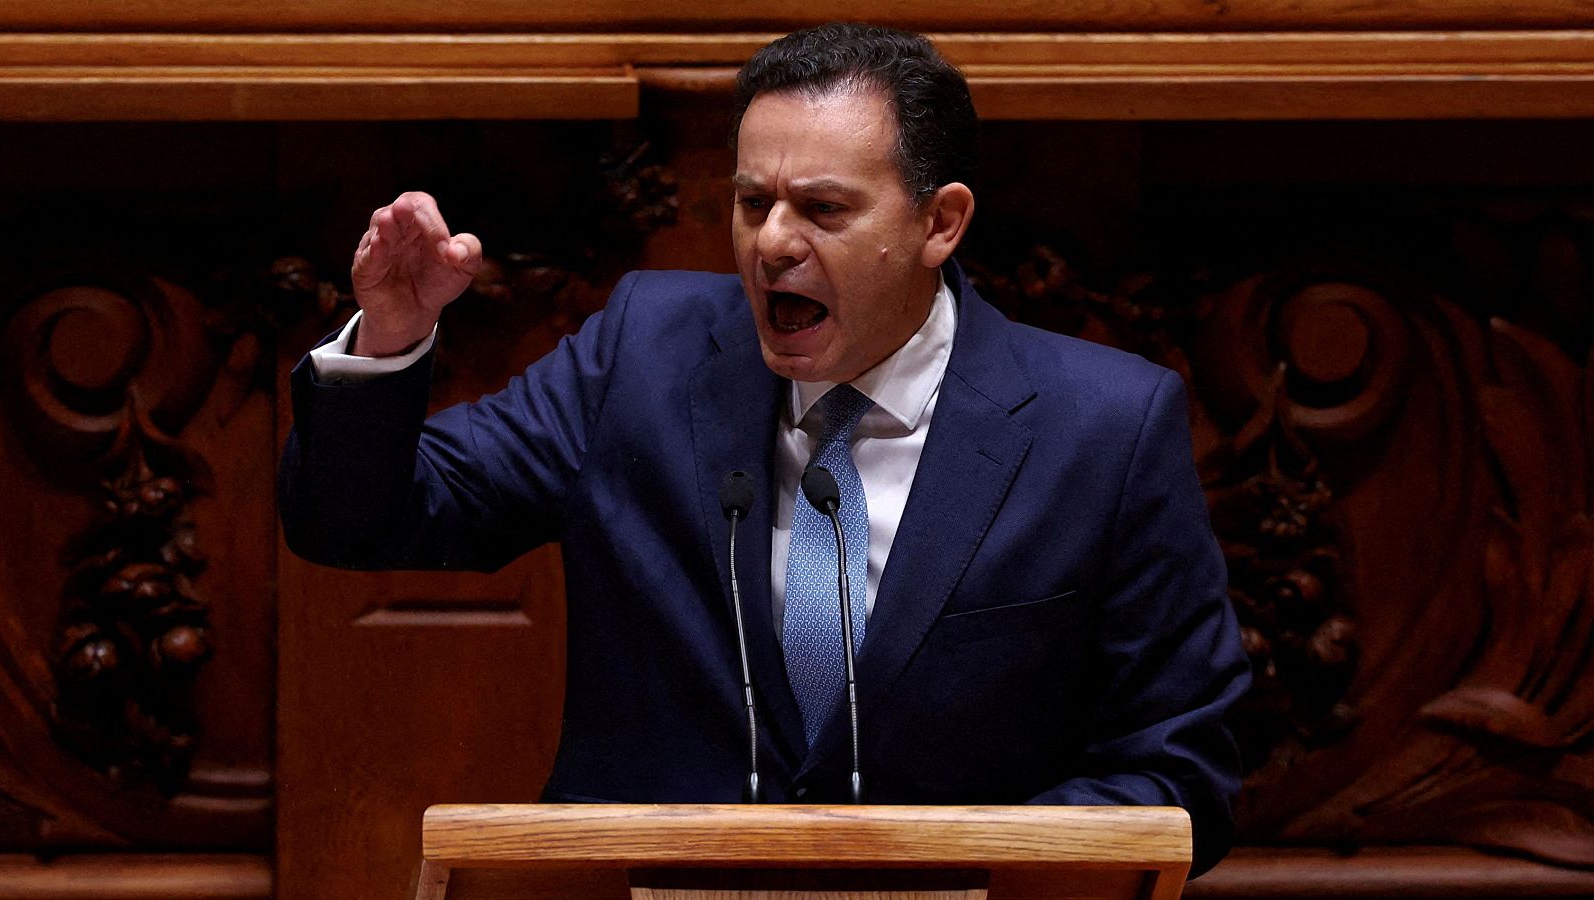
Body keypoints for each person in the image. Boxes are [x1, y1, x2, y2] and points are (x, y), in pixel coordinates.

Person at [279, 22, 1249, 875]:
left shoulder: (1104, 427)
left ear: (938, 222)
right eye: (752, 204)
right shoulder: (642, 354)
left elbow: (1179, 771)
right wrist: (390, 341)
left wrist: (966, 872)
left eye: (822, 210)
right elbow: (365, 516)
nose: (771, 244)